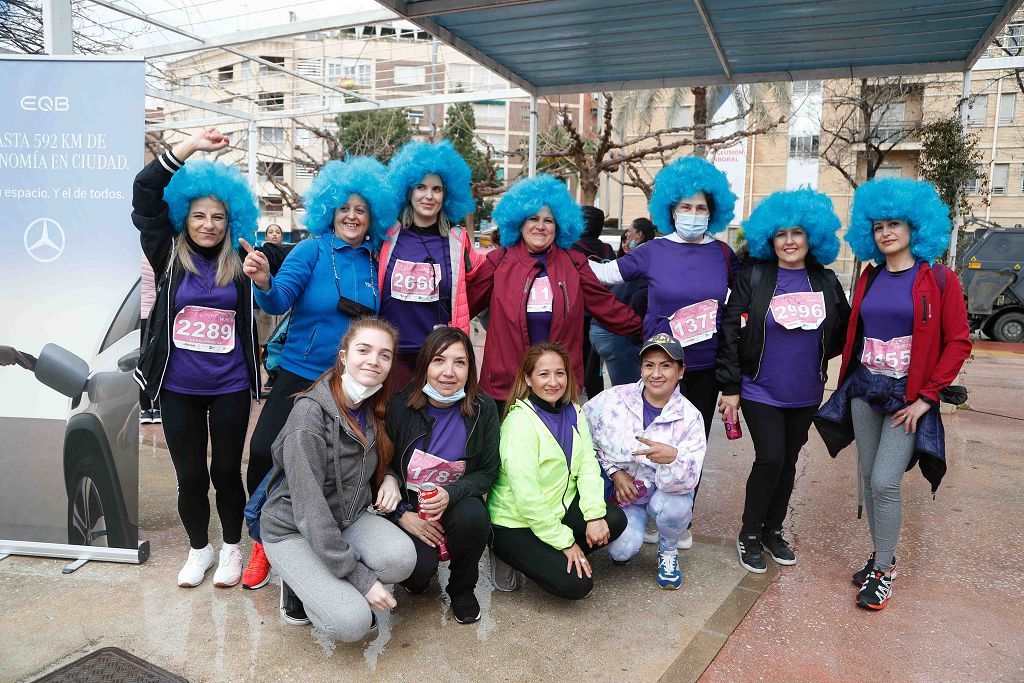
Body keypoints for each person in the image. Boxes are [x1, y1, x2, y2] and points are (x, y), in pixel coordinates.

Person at [239, 157, 398, 590]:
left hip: (353, 383)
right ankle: (262, 540)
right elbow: (277, 302)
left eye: (361, 210)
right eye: (343, 208)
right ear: (329, 211)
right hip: (300, 373)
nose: (351, 216)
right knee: (262, 452)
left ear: (372, 218)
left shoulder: (375, 263)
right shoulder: (311, 250)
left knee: (337, 462)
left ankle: (328, 530)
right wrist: (264, 281)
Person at [813, 178, 971, 611]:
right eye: (879, 225)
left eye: (895, 223)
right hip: (866, 388)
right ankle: (880, 554)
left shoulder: (940, 279)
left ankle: (885, 568)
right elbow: (856, 332)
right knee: (868, 480)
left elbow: (958, 341)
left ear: (915, 227)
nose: (886, 232)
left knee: (885, 482)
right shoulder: (870, 277)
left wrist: (927, 398)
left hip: (908, 398)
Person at [132, 127, 260, 588]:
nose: (208, 224)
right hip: (178, 388)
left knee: (226, 471)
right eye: (200, 215)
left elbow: (277, 292)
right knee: (189, 476)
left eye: (219, 217)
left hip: (228, 387)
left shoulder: (244, 261)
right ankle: (199, 550)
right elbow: (145, 192)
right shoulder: (167, 254)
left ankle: (230, 548)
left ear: (231, 222)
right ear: (185, 218)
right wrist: (190, 148)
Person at [715, 189, 851, 574]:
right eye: (781, 234)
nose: (789, 241)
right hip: (760, 389)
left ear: (812, 237)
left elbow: (842, 329)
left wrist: (818, 361)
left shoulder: (825, 281)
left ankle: (774, 530)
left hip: (806, 391)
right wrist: (731, 387)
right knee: (770, 457)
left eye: (797, 233)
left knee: (788, 462)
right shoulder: (755, 277)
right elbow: (729, 330)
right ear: (768, 240)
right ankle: (750, 533)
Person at [260, 317, 415, 640]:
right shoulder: (310, 415)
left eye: (384, 355)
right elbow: (310, 510)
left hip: (346, 516)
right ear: (344, 356)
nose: (374, 360)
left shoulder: (372, 403)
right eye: (364, 350)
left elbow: (380, 458)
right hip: (293, 528)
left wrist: (390, 477)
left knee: (402, 560)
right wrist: (360, 579)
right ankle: (298, 580)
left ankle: (325, 576)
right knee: (353, 624)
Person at [589, 157, 741, 439]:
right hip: (659, 367)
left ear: (712, 212)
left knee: (692, 449)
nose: (693, 213)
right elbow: (603, 274)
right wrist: (562, 253)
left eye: (700, 208)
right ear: (672, 210)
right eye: (686, 207)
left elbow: (749, 294)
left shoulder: (722, 253)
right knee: (651, 444)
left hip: (705, 369)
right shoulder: (653, 251)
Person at [468, 175, 642, 413]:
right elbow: (463, 306)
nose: (541, 226)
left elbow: (607, 307)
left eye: (549, 220)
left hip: (557, 387)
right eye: (533, 218)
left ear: (559, 225)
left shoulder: (574, 263)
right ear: (519, 222)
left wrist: (650, 329)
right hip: (506, 387)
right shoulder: (498, 262)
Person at [488, 342, 627, 600]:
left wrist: (595, 516)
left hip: (556, 509)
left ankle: (546, 553)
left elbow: (587, 466)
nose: (553, 382)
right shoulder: (519, 423)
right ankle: (507, 555)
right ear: (528, 379)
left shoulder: (574, 412)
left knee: (614, 519)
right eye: (543, 374)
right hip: (515, 522)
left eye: (559, 373)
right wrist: (565, 541)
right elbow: (527, 496)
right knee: (577, 586)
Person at [384, 327, 500, 624]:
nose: (449, 372)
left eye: (460, 362)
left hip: (455, 497)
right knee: (417, 573)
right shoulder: (400, 407)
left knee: (474, 518)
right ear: (425, 365)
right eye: (439, 360)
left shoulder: (483, 408)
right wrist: (401, 514)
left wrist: (452, 493)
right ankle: (420, 573)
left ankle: (462, 589)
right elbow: (381, 467)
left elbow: (487, 471)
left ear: (469, 368)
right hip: (411, 504)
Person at [583, 334, 705, 589]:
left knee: (674, 508)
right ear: (641, 368)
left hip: (667, 494)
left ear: (680, 371)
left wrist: (672, 458)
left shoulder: (690, 417)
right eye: (649, 365)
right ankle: (636, 529)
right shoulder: (615, 399)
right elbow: (583, 434)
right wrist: (615, 472)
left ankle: (669, 550)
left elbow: (691, 477)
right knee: (620, 551)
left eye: (666, 365)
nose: (656, 374)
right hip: (626, 496)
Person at [381, 140, 482, 389]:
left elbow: (481, 282)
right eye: (421, 187)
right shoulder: (387, 236)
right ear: (408, 191)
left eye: (436, 189)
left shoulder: (459, 240)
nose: (428, 196)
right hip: (392, 355)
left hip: (440, 358)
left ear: (446, 195)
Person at [591, 217, 656, 385]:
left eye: (629, 233)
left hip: (607, 327)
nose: (626, 236)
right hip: (616, 331)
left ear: (639, 234)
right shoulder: (644, 258)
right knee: (627, 392)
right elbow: (639, 298)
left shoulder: (638, 257)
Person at [573, 205, 616, 400]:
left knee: (575, 358)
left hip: (578, 314)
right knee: (596, 363)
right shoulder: (608, 249)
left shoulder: (572, 248)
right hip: (603, 316)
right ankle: (596, 397)